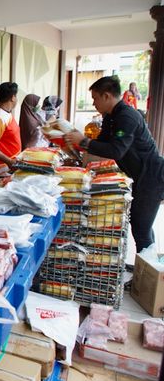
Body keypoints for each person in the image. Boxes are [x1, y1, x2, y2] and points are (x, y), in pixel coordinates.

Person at [64, 76, 164, 253]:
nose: (94, 103)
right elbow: (102, 144)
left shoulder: (127, 116)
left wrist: (84, 141)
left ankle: (147, 268)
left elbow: (116, 150)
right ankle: (148, 263)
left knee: (141, 227)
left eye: (95, 98)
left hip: (151, 177)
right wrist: (76, 143)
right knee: (141, 225)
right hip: (138, 175)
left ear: (107, 96)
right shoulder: (111, 117)